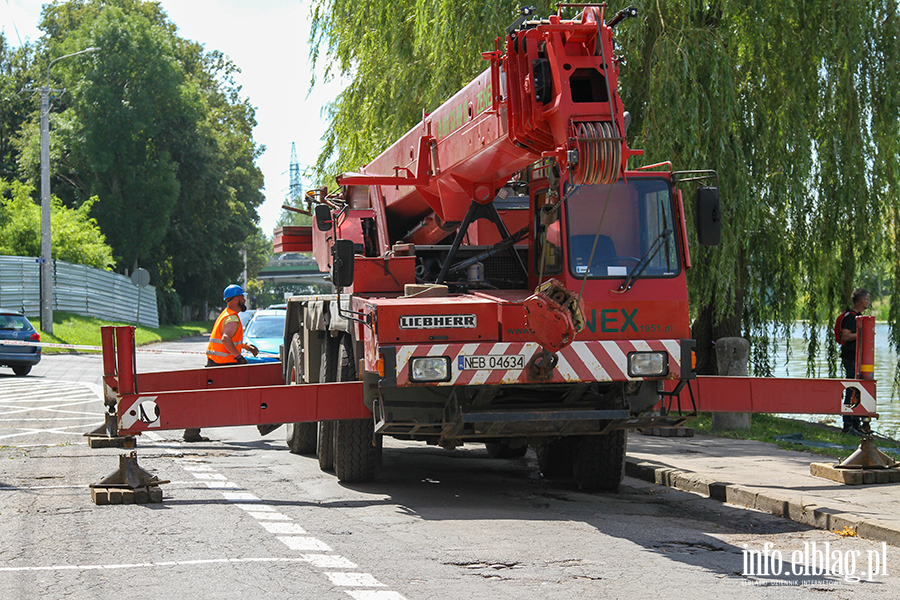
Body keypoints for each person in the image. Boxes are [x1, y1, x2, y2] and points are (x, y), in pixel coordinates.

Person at [183, 284, 258, 442]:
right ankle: (265, 423)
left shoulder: (227, 314)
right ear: (236, 299)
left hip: (217, 363)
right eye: (243, 297)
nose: (245, 300)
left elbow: (229, 339)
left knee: (207, 398)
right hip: (223, 366)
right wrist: (238, 356)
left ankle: (191, 432)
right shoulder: (232, 317)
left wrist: (244, 346)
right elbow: (225, 339)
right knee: (250, 391)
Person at [839, 288, 870, 436]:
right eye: (868, 299)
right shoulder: (851, 317)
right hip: (850, 357)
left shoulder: (857, 316)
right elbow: (845, 336)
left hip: (856, 358)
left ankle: (856, 423)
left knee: (858, 390)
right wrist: (862, 334)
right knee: (851, 388)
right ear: (862, 300)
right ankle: (848, 424)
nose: (869, 302)